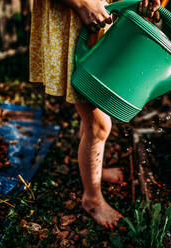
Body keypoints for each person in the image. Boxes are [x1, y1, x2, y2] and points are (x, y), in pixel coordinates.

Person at [29, 0, 161, 230]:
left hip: (94, 20)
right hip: (74, 18)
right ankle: (92, 200)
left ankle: (95, 171)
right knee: (99, 126)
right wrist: (81, 3)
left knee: (91, 115)